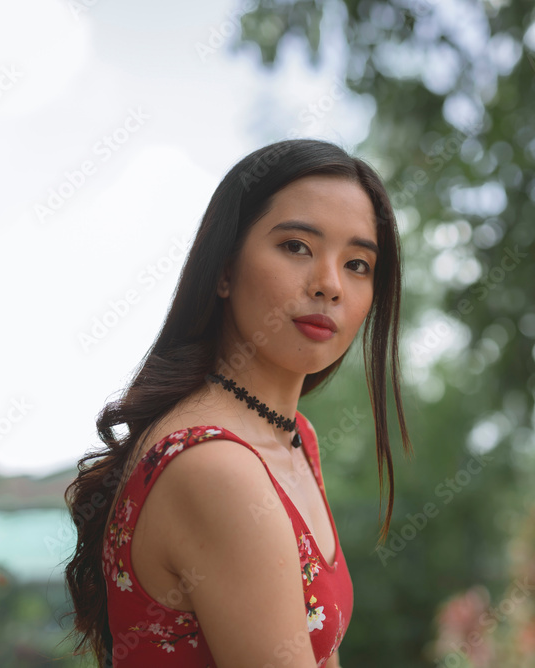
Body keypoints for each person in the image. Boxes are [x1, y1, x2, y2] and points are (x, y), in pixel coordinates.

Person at [63, 138, 413, 667]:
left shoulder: (293, 437)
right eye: (296, 246)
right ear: (224, 269)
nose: (330, 285)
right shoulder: (215, 467)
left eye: (358, 264)